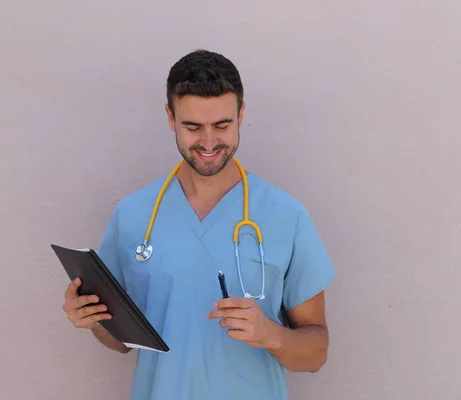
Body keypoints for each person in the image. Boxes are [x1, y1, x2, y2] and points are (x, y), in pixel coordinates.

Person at [60, 49, 336, 399]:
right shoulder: (133, 215)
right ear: (170, 118)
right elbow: (122, 343)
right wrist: (93, 320)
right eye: (193, 127)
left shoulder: (287, 216)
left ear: (241, 114)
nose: (208, 142)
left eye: (222, 125)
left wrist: (272, 335)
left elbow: (316, 354)